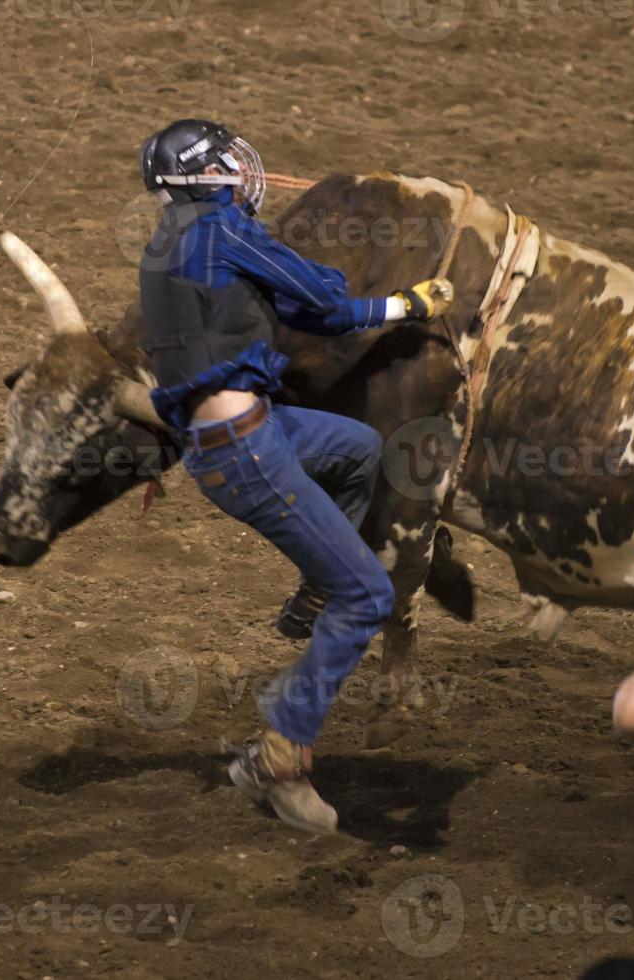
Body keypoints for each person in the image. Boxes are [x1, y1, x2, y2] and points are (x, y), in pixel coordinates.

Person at [137, 119, 453, 833]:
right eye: (230, 163)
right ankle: (278, 760)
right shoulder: (219, 230)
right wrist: (407, 305)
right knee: (368, 595)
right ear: (210, 175)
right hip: (246, 446)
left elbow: (262, 307)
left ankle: (316, 586)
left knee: (356, 449)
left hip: (235, 438)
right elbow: (324, 301)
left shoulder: (169, 243)